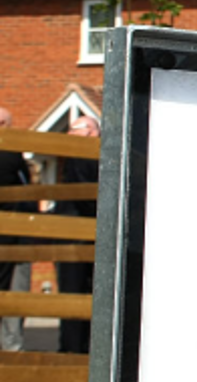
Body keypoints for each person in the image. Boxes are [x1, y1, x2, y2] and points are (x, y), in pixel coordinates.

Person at [56, 115, 99, 354]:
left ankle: (74, 352)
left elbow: (87, 198)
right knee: (77, 295)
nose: (70, 134)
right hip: (77, 236)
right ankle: (78, 350)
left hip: (77, 237)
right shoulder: (78, 155)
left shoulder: (82, 156)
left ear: (91, 132)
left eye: (76, 129)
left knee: (74, 294)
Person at [0, 106, 30, 352]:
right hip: (13, 232)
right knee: (13, 289)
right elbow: (27, 188)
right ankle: (12, 346)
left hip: (15, 232)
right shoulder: (12, 153)